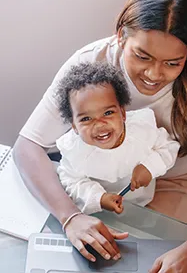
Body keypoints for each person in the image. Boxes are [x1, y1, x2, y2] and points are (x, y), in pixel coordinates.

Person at [13, 0, 187, 272]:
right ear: (121, 36)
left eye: (173, 63)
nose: (154, 75)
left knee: (136, 264)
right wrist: (71, 218)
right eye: (142, 56)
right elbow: (28, 145)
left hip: (173, 181)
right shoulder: (92, 63)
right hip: (94, 173)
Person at [55, 61, 180, 216]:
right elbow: (72, 182)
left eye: (108, 113)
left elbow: (169, 147)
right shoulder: (75, 150)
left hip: (142, 202)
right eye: (86, 119)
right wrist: (99, 198)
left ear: (122, 113)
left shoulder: (141, 129)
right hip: (96, 209)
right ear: (74, 126)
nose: (100, 125)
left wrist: (149, 167)